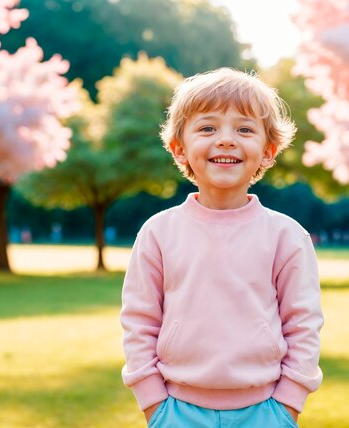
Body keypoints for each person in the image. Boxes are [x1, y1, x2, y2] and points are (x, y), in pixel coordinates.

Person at [120, 68, 323, 427]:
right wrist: (153, 404)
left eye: (244, 129)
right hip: (175, 410)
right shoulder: (157, 233)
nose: (226, 140)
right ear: (179, 148)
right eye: (208, 128)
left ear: (268, 150)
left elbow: (303, 325)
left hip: (266, 411)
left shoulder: (287, 236)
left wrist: (288, 406)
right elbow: (139, 321)